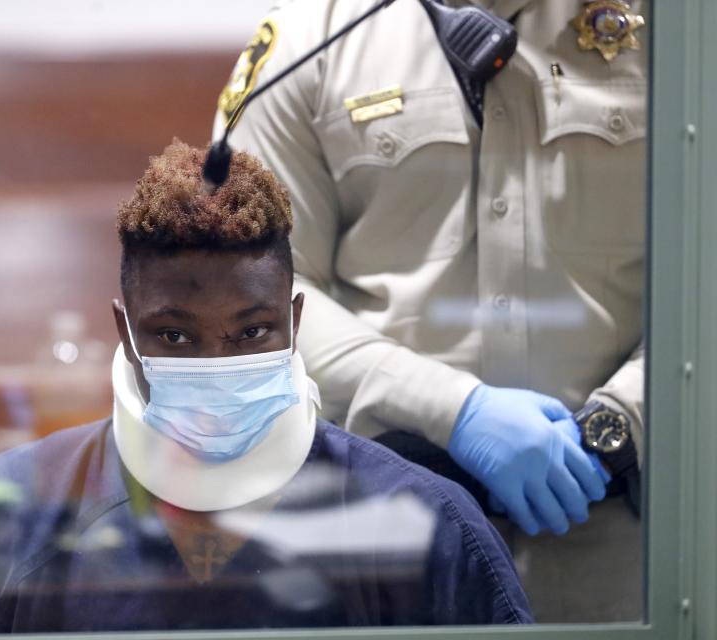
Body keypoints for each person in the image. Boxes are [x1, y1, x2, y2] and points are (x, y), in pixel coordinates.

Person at [0, 141, 532, 633]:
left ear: (294, 323)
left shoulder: (426, 526)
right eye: (174, 337)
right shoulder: (1, 518)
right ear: (125, 333)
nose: (215, 361)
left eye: (252, 331)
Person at [214, 0, 645, 622]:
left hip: (630, 545)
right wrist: (454, 410)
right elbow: (250, 292)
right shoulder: (313, 36)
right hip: (388, 544)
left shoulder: (676, 35)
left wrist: (624, 422)